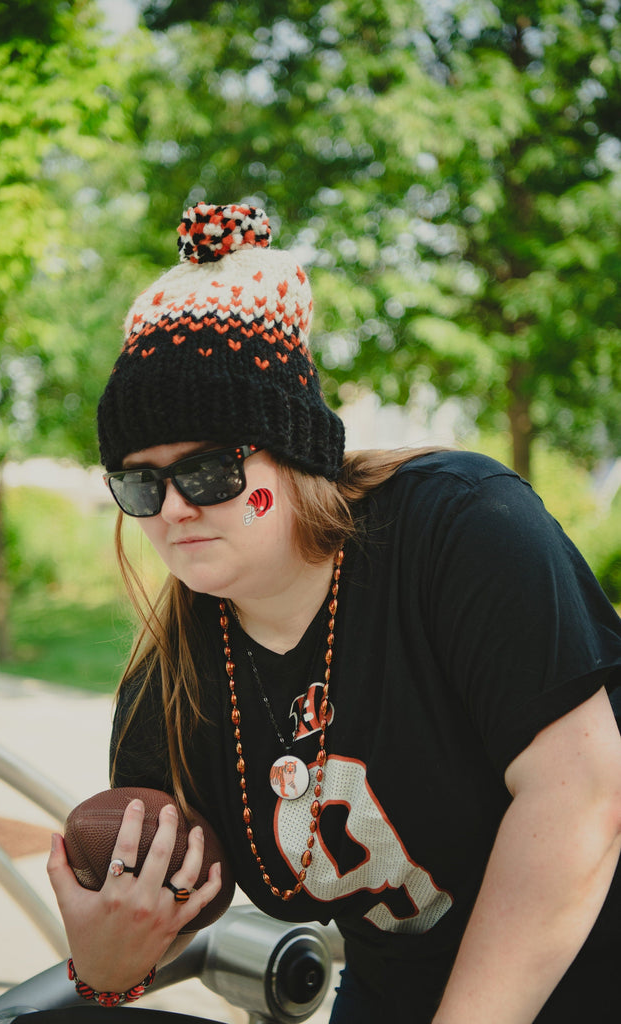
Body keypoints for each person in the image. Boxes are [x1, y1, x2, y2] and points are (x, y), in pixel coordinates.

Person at [48, 202, 621, 1023]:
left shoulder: (463, 525)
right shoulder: (172, 682)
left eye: (207, 471)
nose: (172, 507)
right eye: (139, 482)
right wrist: (107, 961)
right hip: (397, 993)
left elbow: (581, 798)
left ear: (293, 448)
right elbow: (153, 922)